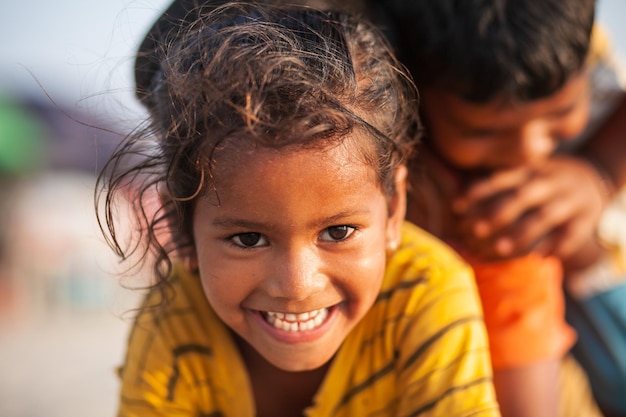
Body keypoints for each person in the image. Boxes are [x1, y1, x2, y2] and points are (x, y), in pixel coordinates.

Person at [96, 2, 501, 416]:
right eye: (248, 238)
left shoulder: (425, 291)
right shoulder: (176, 318)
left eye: (339, 232)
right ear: (181, 228)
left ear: (394, 208)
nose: (296, 285)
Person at [368, 0, 626, 416]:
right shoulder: (484, 216)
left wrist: (597, 173)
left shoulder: (570, 37)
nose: (529, 150)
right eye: (482, 131)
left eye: (561, 112)